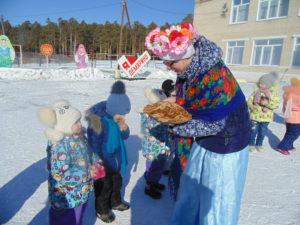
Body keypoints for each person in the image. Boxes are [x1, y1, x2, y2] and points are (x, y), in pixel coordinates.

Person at [145, 22, 250, 225]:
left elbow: (213, 124)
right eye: (164, 62)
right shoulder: (189, 71)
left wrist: (171, 122)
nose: (167, 66)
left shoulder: (214, 76)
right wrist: (171, 101)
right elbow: (187, 96)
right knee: (191, 191)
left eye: (170, 62)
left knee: (216, 202)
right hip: (204, 141)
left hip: (226, 147)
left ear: (186, 56)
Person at [37, 100, 93, 225]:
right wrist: (86, 174)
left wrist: (94, 162)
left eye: (79, 120)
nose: (80, 124)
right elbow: (59, 174)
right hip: (68, 195)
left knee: (75, 216)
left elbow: (87, 153)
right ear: (64, 126)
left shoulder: (78, 137)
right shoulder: (60, 147)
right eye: (75, 122)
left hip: (79, 191)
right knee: (70, 219)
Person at [85, 81, 131, 223]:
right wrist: (100, 161)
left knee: (117, 181)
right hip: (103, 161)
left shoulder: (116, 117)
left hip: (115, 159)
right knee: (104, 186)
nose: (122, 115)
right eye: (121, 113)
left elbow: (124, 137)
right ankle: (102, 210)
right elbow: (94, 143)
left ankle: (115, 202)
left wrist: (124, 127)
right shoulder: (98, 121)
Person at [140, 87, 170, 199]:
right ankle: (149, 187)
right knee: (154, 168)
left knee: (159, 167)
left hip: (160, 146)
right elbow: (151, 129)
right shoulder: (150, 113)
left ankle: (154, 182)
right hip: (153, 148)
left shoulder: (159, 112)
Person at [247, 72, 280, 152]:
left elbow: (276, 104)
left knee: (262, 132)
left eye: (263, 84)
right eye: (260, 83)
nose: (261, 85)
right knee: (253, 131)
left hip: (266, 117)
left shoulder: (273, 94)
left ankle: (259, 144)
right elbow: (249, 101)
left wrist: (268, 105)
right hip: (255, 116)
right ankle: (251, 144)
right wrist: (252, 106)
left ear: (268, 84)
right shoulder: (256, 92)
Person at [277, 77, 300, 155]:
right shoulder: (296, 94)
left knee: (289, 133)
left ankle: (289, 146)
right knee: (294, 134)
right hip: (295, 118)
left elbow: (285, 106)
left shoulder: (288, 93)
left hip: (289, 117)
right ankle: (282, 147)